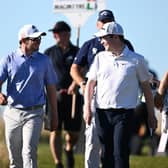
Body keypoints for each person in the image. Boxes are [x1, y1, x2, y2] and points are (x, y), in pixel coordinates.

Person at [83, 21, 157, 168]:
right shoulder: (100, 58)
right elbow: (90, 84)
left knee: (120, 153)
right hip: (102, 113)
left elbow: (147, 90)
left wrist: (151, 114)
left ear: (115, 37)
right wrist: (87, 109)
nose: (101, 41)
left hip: (124, 114)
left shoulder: (137, 60)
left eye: (103, 38)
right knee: (106, 153)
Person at [70, 9, 134, 168]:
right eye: (103, 22)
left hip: (118, 98)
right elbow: (74, 69)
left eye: (109, 22)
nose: (105, 25)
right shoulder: (90, 44)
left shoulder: (124, 44)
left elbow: (133, 67)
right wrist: (82, 84)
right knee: (92, 138)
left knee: (115, 142)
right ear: (98, 24)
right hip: (95, 95)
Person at [0, 24, 58, 168]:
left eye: (39, 38)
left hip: (35, 112)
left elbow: (51, 88)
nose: (39, 41)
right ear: (23, 40)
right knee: (15, 157)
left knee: (29, 152)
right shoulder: (8, 59)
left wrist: (54, 114)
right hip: (12, 113)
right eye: (34, 39)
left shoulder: (44, 60)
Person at [44, 21, 83, 168]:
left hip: (73, 96)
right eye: (54, 33)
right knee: (55, 130)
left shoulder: (78, 51)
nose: (55, 35)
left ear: (67, 34)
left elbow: (83, 69)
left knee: (74, 132)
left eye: (58, 32)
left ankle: (68, 148)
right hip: (54, 97)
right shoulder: (48, 53)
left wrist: (75, 83)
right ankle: (58, 163)